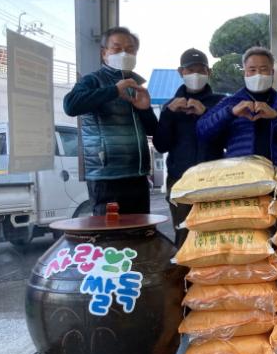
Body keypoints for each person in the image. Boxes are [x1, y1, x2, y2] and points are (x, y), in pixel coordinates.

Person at [63, 26, 157, 215]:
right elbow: (70, 105)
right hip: (106, 177)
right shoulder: (92, 80)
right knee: (111, 231)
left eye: (130, 49)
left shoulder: (136, 86)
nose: (124, 53)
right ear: (104, 53)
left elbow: (152, 130)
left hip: (137, 175)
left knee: (140, 230)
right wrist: (114, 90)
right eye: (117, 48)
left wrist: (146, 110)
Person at [153, 48, 225, 247]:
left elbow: (227, 140)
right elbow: (161, 145)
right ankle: (182, 267)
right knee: (184, 235)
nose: (196, 75)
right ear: (180, 72)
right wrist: (168, 114)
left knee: (215, 235)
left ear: (209, 72)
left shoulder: (221, 103)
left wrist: (206, 114)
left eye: (201, 70)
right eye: (190, 70)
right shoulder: (170, 106)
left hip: (214, 179)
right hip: (180, 180)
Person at [196, 46, 277, 166]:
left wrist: (276, 117)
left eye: (263, 69)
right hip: (240, 172)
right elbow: (202, 130)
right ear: (245, 73)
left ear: (272, 72)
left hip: (276, 171)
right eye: (252, 70)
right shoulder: (231, 102)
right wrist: (231, 113)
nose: (258, 74)